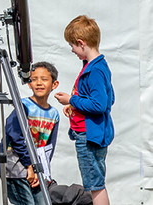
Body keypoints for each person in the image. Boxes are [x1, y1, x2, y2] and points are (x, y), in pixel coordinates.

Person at [54, 15, 114, 205]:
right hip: (88, 133)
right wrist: (75, 106)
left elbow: (100, 104)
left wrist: (71, 99)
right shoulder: (95, 66)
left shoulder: (94, 70)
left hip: (88, 136)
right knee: (95, 182)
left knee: (95, 185)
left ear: (81, 43)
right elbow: (108, 98)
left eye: (72, 46)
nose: (72, 50)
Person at [0, 62, 60, 205]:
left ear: (54, 84)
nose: (38, 83)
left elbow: (49, 147)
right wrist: (30, 166)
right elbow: (14, 135)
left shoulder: (54, 114)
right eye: (34, 79)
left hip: (36, 167)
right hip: (15, 166)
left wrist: (42, 171)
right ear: (29, 84)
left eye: (44, 79)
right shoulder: (23, 106)